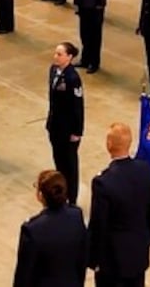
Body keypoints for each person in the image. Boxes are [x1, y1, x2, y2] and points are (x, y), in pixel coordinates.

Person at [87, 123, 150, 287]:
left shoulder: (103, 182)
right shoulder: (145, 170)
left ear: (109, 144)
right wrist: (147, 240)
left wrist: (93, 259)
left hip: (112, 261)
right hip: (138, 253)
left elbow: (99, 224)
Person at [14, 169, 89, 287]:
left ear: (40, 195)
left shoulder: (32, 230)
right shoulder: (76, 215)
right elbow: (82, 258)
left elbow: (24, 274)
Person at [46, 43, 86, 203]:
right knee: (59, 162)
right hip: (55, 125)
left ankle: (72, 198)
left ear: (69, 57)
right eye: (55, 53)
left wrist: (77, 131)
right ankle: (61, 194)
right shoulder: (53, 70)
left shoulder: (72, 78)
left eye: (60, 54)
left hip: (68, 129)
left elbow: (77, 106)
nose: (55, 57)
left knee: (70, 166)